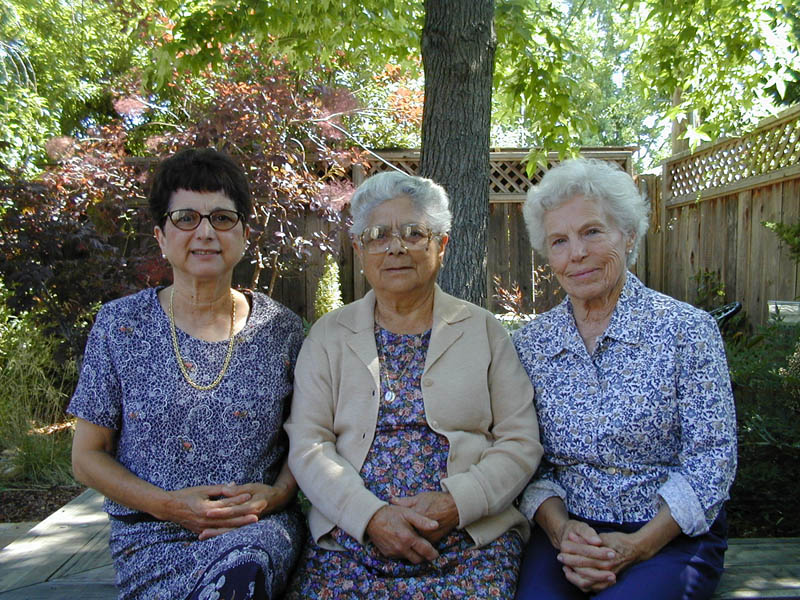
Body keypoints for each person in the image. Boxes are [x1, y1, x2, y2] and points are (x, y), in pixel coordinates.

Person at [284, 170, 543, 598]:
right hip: (353, 540)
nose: (396, 247)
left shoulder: (483, 330)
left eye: (414, 232)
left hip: (469, 540)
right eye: (378, 235)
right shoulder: (329, 336)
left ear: (440, 246)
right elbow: (309, 443)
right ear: (359, 250)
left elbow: (520, 441)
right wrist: (370, 516)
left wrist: (458, 502)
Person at [68, 148, 305, 599]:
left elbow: (307, 438)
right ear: (160, 236)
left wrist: (274, 496)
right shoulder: (120, 327)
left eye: (221, 218)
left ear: (244, 234)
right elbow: (87, 457)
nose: (204, 233)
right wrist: (170, 507)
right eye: (185, 218)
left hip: (255, 530)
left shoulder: (282, 329)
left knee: (240, 580)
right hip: (151, 534)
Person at [512, 158, 737, 599]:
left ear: (628, 235)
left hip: (668, 536)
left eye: (592, 232)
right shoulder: (531, 344)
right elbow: (526, 460)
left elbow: (712, 461)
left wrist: (636, 546)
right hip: (568, 535)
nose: (576, 253)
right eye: (559, 241)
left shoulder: (687, 331)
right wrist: (561, 531)